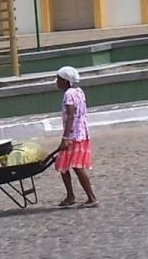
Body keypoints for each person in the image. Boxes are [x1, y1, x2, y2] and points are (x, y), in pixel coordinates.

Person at [55, 65, 98, 208]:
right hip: (82, 133)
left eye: (59, 79)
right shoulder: (79, 91)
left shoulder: (68, 94)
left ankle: (91, 197)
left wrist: (65, 138)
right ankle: (71, 196)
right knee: (65, 166)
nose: (57, 81)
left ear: (66, 81)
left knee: (74, 167)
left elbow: (71, 116)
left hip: (74, 136)